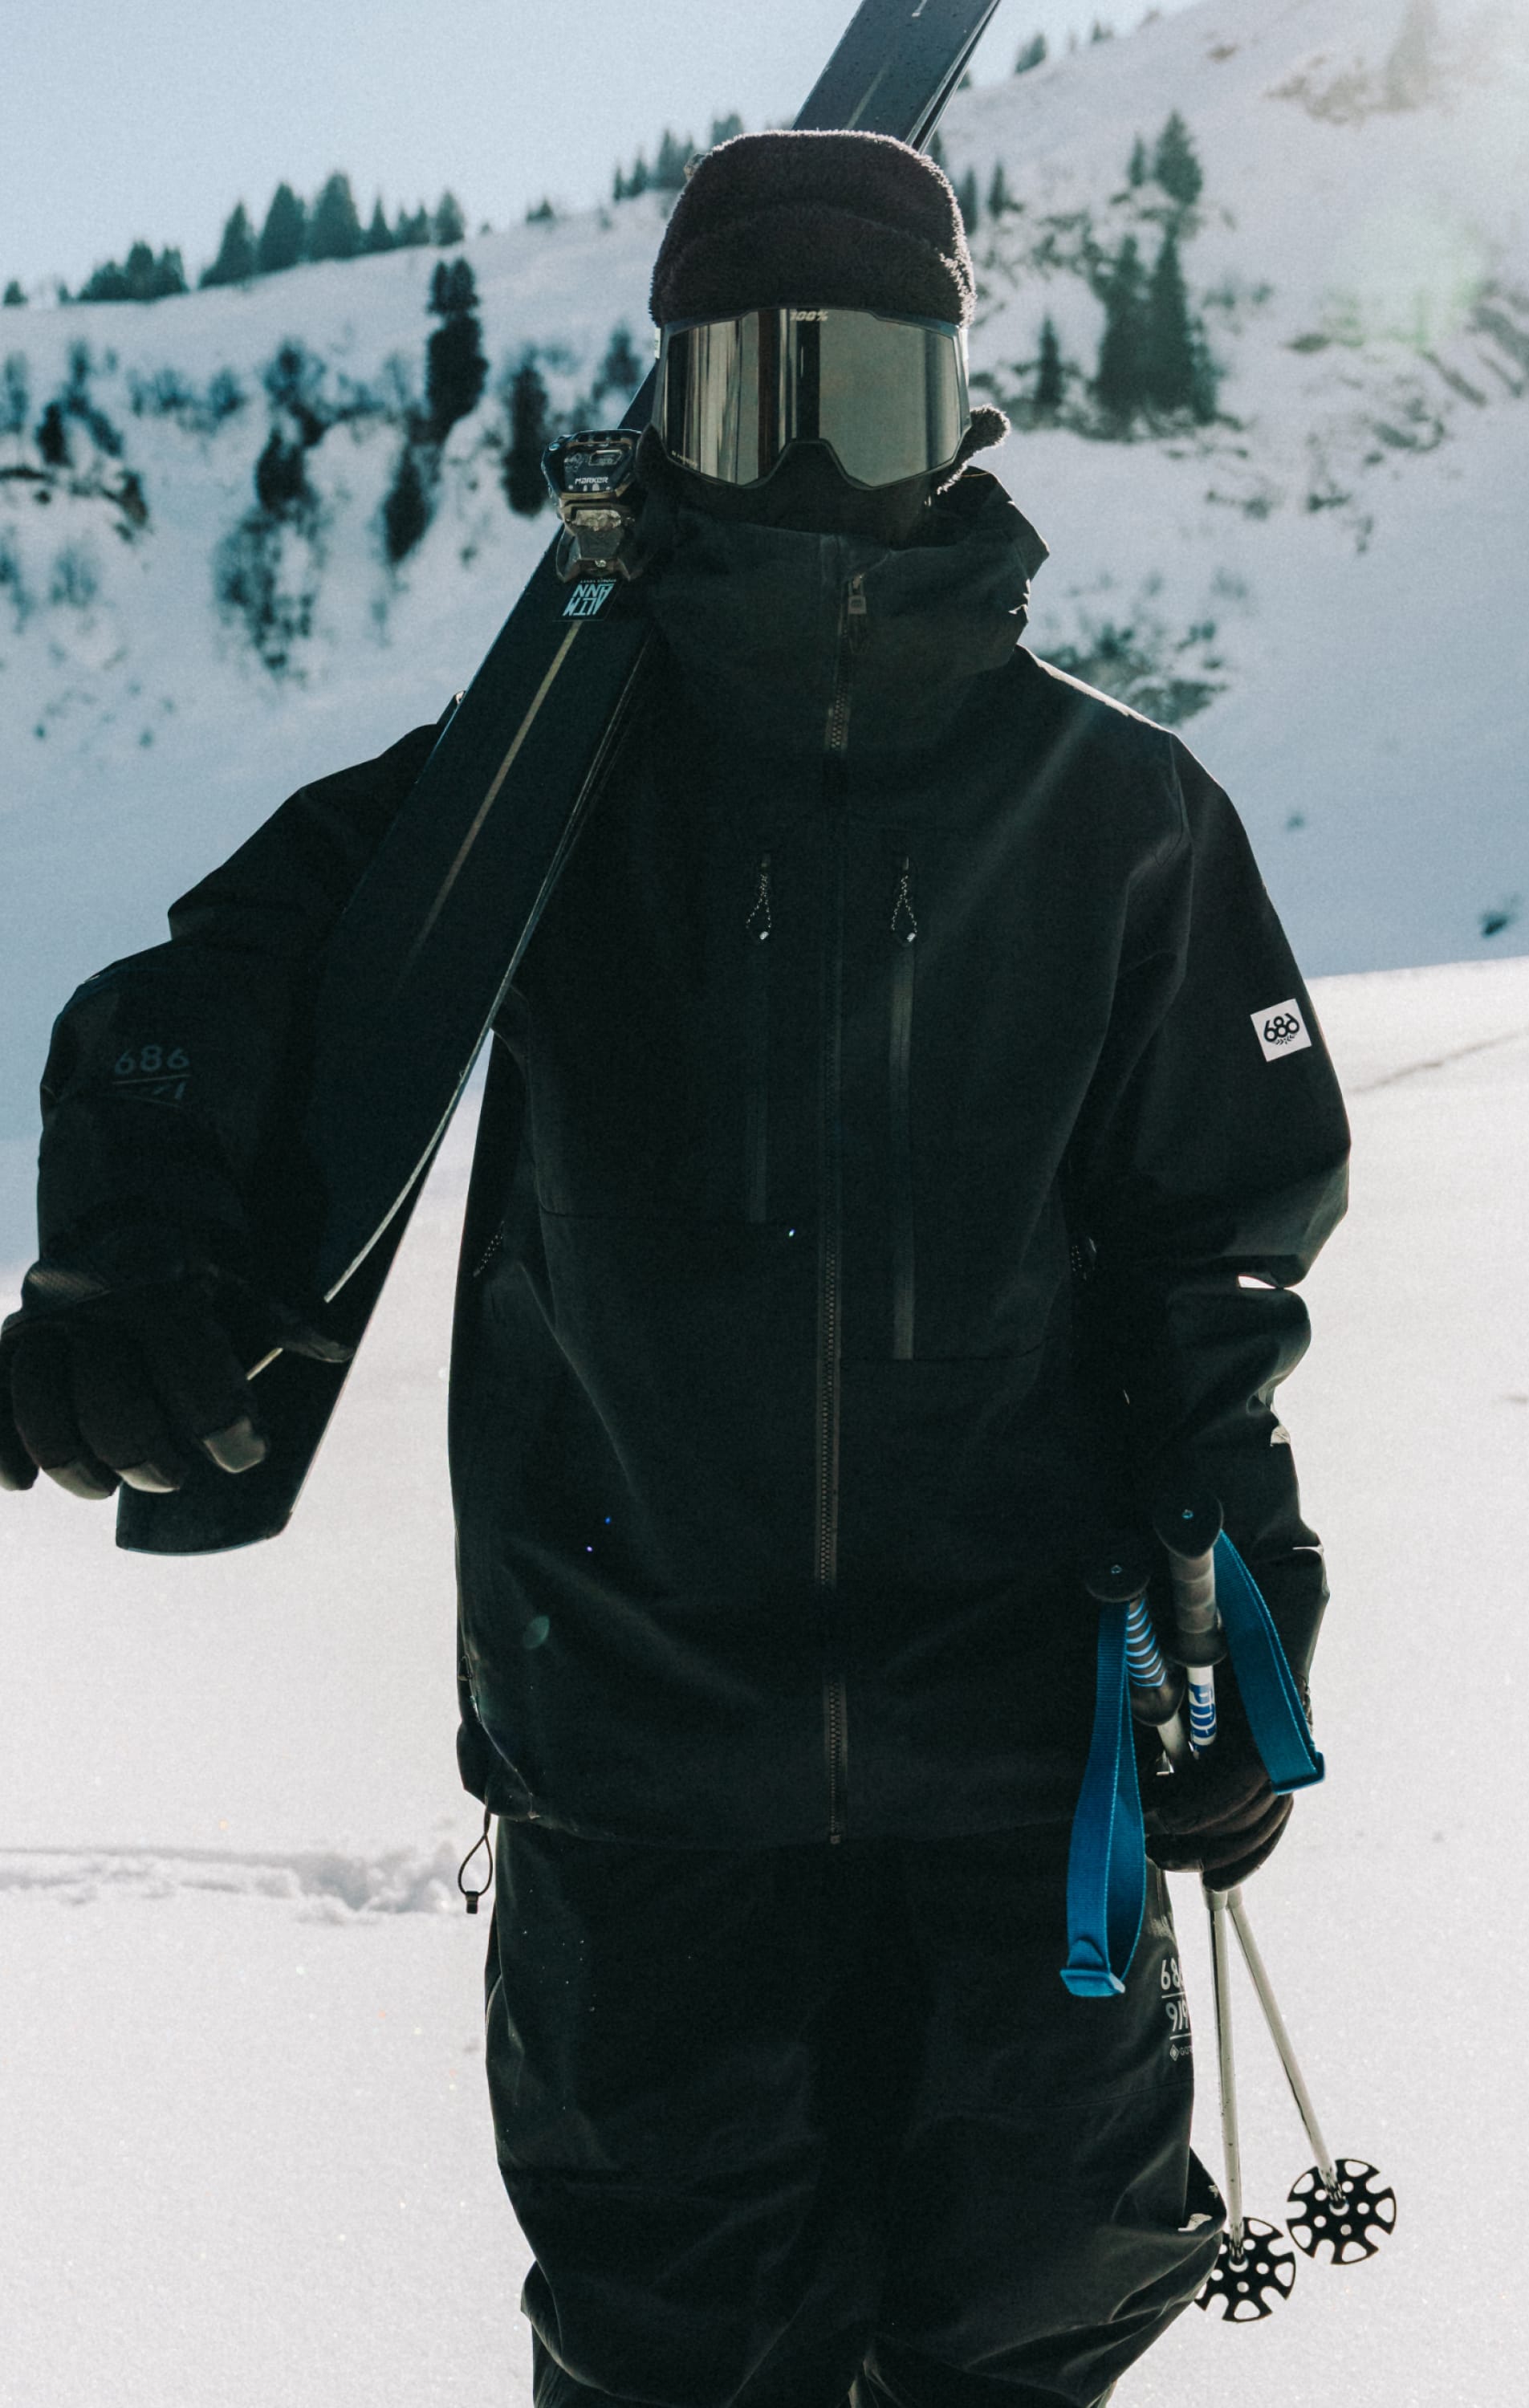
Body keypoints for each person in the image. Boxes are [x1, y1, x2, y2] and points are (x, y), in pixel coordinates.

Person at [0, 134, 1350, 2406]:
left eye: (875, 393)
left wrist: (1237, 1614)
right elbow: (201, 1001)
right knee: (674, 2355)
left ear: (965, 417)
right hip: (638, 1762)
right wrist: (131, 1257)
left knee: (1040, 2304)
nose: (818, 460)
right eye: (761, 396)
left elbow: (1209, 1260)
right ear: (672, 417)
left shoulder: (1114, 814)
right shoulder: (540, 784)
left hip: (1026, 1753)